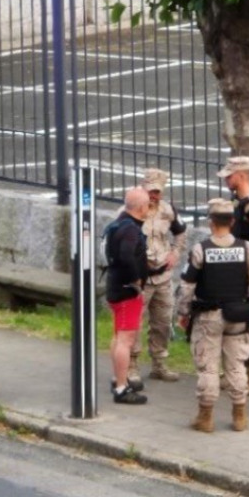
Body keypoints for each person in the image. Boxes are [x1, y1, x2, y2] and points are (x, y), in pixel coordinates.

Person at [176, 198, 249, 433]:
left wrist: (183, 312)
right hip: (238, 315)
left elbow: (187, 286)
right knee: (236, 366)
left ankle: (205, 417)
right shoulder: (247, 249)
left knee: (208, 367)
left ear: (211, 222)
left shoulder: (201, 250)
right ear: (232, 222)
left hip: (208, 317)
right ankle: (239, 416)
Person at [122, 168, 187, 385]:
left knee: (162, 322)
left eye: (157, 192)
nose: (153, 196)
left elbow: (180, 232)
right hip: (139, 279)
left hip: (163, 277)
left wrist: (175, 253)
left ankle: (159, 364)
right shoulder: (130, 211)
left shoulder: (168, 210)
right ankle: (131, 365)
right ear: (143, 188)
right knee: (134, 324)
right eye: (150, 191)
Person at [217, 155, 249, 395]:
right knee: (236, 324)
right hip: (236, 270)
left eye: (230, 176)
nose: (226, 180)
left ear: (241, 175)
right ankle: (239, 370)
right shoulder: (238, 203)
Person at [106, 187, 151, 405]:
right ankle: (121, 388)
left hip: (115, 286)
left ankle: (118, 378)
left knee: (118, 336)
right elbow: (126, 255)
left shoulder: (119, 223)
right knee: (126, 339)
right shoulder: (131, 229)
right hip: (126, 291)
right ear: (141, 208)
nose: (148, 208)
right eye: (147, 205)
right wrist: (136, 280)